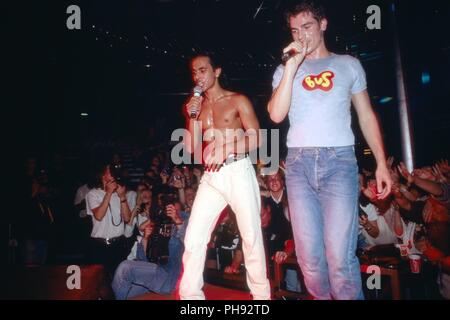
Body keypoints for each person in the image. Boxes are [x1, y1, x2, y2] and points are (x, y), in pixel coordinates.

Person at [267, 0, 392, 299]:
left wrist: (381, 164)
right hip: (298, 165)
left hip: (339, 162)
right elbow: (275, 115)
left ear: (323, 24)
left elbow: (366, 115)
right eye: (295, 30)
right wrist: (291, 67)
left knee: (339, 258)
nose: (301, 36)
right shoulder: (285, 70)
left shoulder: (348, 64)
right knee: (309, 260)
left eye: (307, 27)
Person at [179, 52, 270, 300]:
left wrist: (228, 147)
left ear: (216, 71)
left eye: (203, 70)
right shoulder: (196, 106)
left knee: (250, 237)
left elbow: (258, 137)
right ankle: (191, 299)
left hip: (237, 169)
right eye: (194, 72)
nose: (198, 76)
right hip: (210, 176)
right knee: (194, 237)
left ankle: (262, 299)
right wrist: (192, 117)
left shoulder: (237, 100)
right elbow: (190, 148)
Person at [112, 204, 188, 299]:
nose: (171, 212)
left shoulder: (182, 232)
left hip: (170, 279)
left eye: (175, 211)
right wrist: (146, 239)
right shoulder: (159, 228)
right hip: (154, 276)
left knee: (125, 267)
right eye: (169, 210)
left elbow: (188, 242)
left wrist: (177, 221)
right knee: (121, 288)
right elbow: (144, 260)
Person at [85, 163, 135, 275]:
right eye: (109, 171)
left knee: (118, 277)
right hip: (100, 245)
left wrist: (122, 197)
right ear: (102, 176)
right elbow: (98, 215)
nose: (113, 174)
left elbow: (127, 218)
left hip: (118, 243)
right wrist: (108, 192)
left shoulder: (119, 194)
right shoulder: (93, 194)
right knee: (100, 279)